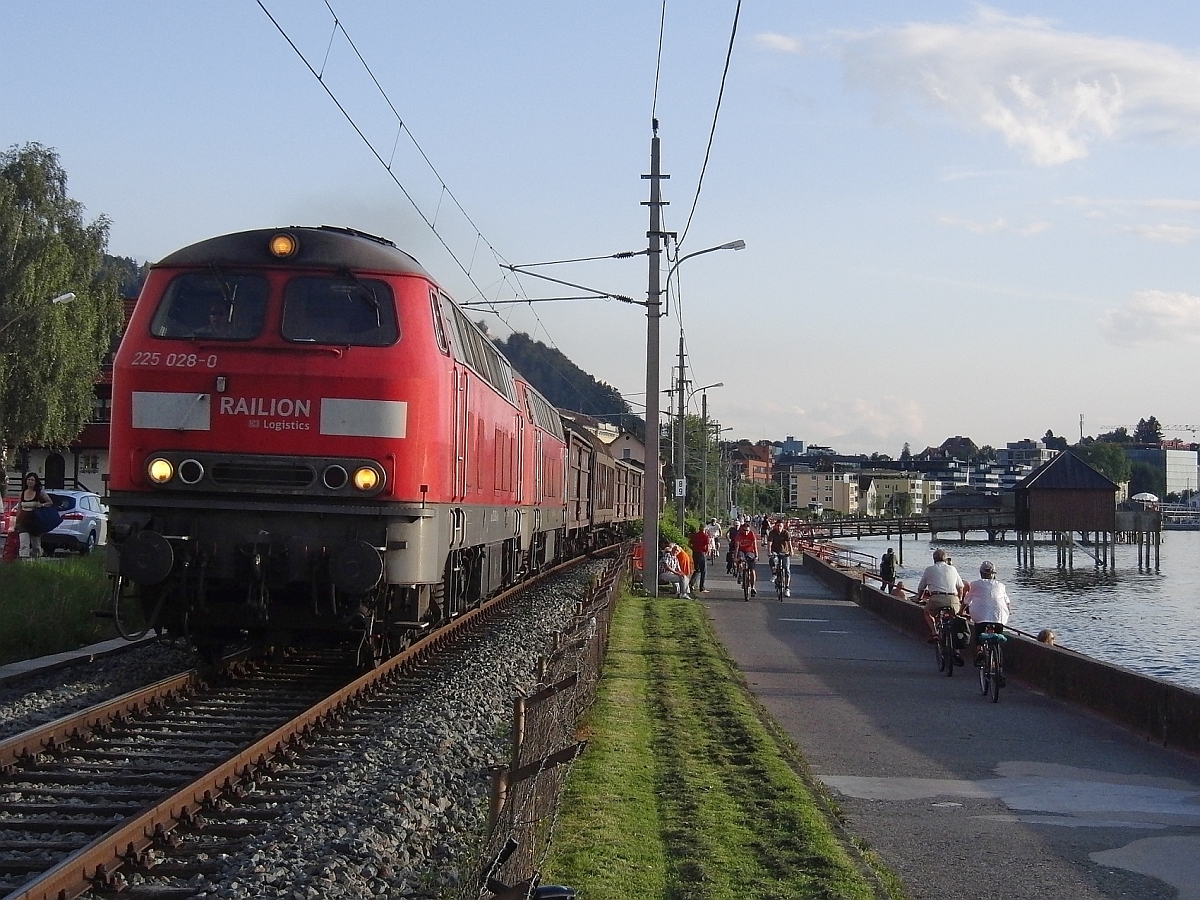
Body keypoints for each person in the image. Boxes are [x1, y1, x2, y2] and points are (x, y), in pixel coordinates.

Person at [963, 560, 1012, 668]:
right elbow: (1007, 602)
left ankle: (980, 650)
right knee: (998, 636)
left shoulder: (975, 584)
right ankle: (997, 662)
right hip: (999, 616)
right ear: (994, 574)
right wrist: (1009, 611)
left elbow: (967, 600)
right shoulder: (1001, 585)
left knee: (979, 632)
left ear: (981, 573)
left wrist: (961, 611)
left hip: (980, 616)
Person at [916, 548, 965, 644]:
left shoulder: (929, 569)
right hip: (952, 599)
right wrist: (959, 599)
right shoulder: (952, 569)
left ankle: (935, 633)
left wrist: (919, 598)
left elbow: (921, 587)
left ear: (934, 559)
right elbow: (960, 587)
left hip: (936, 598)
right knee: (955, 616)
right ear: (945, 559)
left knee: (927, 612)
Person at [14, 472, 53, 560]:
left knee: (36, 545)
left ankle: (36, 561)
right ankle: (24, 561)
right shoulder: (22, 493)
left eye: (32, 480)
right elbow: (19, 508)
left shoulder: (40, 493)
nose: (30, 482)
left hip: (35, 522)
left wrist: (41, 505)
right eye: (28, 479)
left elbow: (50, 502)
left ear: (36, 482)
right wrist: (16, 522)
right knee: (24, 543)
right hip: (23, 521)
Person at [732, 520, 759, 596]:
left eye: (747, 530)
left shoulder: (751, 534)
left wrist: (756, 555)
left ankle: (753, 587)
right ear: (742, 529)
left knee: (752, 569)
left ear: (749, 530)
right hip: (741, 551)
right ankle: (740, 574)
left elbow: (755, 546)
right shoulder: (739, 535)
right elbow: (737, 547)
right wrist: (735, 558)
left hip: (750, 552)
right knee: (740, 558)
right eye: (744, 530)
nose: (746, 532)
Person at [767, 520, 793, 596]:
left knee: (787, 569)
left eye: (780, 526)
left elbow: (789, 543)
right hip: (775, 551)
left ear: (783, 526)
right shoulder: (772, 533)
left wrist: (791, 551)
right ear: (775, 526)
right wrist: (769, 552)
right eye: (777, 526)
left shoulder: (786, 533)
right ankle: (774, 574)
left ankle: (787, 588)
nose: (779, 527)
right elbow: (769, 543)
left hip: (784, 552)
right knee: (772, 560)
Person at [689, 525, 712, 593]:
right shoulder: (705, 536)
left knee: (696, 569)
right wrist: (707, 552)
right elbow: (707, 546)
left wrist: (693, 549)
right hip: (701, 553)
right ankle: (702, 587)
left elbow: (689, 543)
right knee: (703, 571)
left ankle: (691, 584)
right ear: (704, 529)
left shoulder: (695, 535)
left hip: (695, 553)